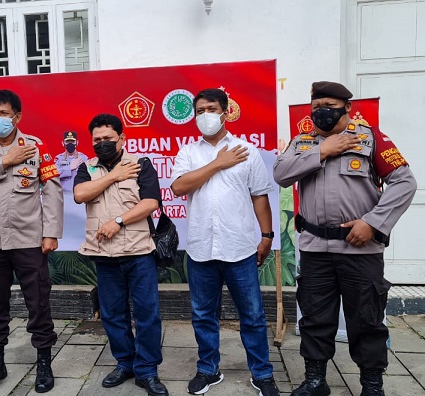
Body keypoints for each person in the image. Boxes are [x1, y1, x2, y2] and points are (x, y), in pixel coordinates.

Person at [273, 81, 417, 396]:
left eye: (329, 104)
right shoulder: (302, 143)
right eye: (315, 107)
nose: (321, 112)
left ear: (347, 108)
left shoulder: (370, 138)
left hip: (360, 248)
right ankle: (315, 381)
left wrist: (373, 223)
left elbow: (404, 182)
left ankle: (371, 385)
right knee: (314, 317)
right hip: (314, 248)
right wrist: (322, 150)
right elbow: (281, 175)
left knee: (366, 319)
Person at [171, 88, 280, 396]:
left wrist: (267, 235)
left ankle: (262, 373)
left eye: (210, 108)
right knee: (204, 315)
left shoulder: (247, 150)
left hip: (240, 248)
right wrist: (218, 163)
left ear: (225, 111)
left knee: (253, 316)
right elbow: (179, 187)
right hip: (201, 249)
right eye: (199, 110)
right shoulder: (188, 152)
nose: (205, 115)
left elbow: (260, 196)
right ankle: (208, 369)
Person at [0, 89, 63, 394]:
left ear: (18, 116)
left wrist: (51, 232)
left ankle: (44, 362)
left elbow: (53, 190)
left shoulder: (35, 146)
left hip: (29, 239)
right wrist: (5, 161)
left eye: (5, 113)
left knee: (39, 303)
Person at [73, 113, 169, 396]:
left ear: (122, 138)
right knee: (113, 315)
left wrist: (118, 222)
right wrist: (114, 175)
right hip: (103, 255)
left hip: (139, 253)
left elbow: (151, 202)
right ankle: (124, 363)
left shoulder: (141, 165)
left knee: (147, 314)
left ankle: (148, 371)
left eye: (108, 139)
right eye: (97, 140)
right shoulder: (86, 167)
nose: (102, 144)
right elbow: (80, 194)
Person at [54, 131, 88, 250]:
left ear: (77, 142)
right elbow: (53, 174)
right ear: (63, 143)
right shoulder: (58, 159)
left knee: (80, 228)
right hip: (64, 200)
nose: (70, 144)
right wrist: (69, 168)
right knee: (65, 230)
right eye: (67, 141)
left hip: (79, 200)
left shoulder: (84, 158)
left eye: (72, 141)